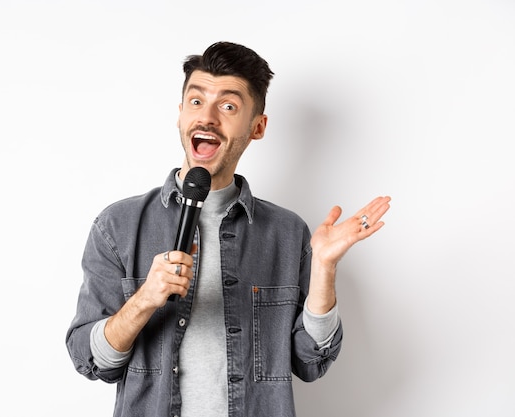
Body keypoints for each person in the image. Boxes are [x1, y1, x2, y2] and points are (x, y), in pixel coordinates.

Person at [66, 41, 391, 417]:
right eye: (196, 101)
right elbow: (90, 360)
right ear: (180, 115)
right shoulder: (118, 227)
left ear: (258, 127)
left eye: (228, 106)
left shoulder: (287, 234)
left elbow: (310, 362)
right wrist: (144, 300)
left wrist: (325, 269)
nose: (207, 117)